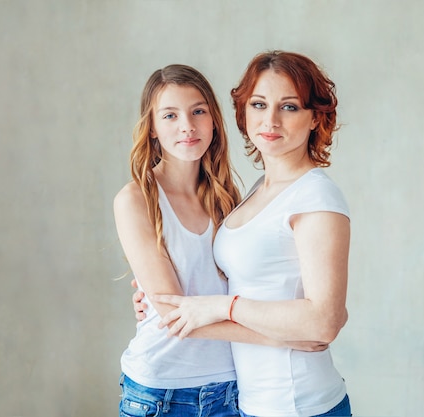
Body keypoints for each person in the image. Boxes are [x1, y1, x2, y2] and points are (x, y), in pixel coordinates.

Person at [141, 51, 353, 417]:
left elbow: (324, 321)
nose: (270, 120)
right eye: (258, 104)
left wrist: (217, 308)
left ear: (316, 118)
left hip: (299, 404)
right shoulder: (257, 189)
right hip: (251, 402)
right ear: (243, 113)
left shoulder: (315, 196)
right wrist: (153, 305)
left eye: (288, 107)